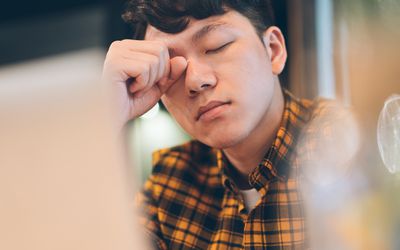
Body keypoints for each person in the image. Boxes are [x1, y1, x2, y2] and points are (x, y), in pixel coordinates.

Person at [102, 0, 323, 249]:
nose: (195, 80)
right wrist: (106, 117)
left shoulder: (342, 144)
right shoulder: (171, 183)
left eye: (216, 46)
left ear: (273, 50)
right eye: (171, 68)